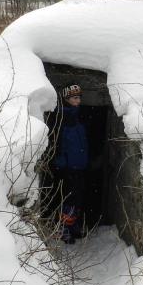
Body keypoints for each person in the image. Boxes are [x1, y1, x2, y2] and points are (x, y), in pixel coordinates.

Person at [52, 84, 89, 244]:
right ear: (66, 99)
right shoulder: (62, 116)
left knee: (78, 197)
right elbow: (57, 141)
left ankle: (72, 224)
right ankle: (62, 228)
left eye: (79, 97)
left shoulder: (77, 115)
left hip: (79, 164)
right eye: (75, 98)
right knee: (68, 198)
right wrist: (61, 162)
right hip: (67, 166)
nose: (78, 100)